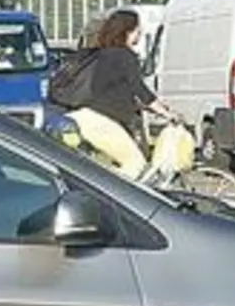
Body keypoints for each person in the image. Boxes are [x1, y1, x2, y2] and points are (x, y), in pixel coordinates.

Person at [56, 10, 175, 180]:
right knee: (136, 164)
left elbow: (111, 91)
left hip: (84, 116)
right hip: (101, 121)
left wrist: (149, 108)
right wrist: (167, 114)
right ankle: (109, 198)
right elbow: (141, 90)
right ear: (127, 31)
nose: (140, 33)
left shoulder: (102, 54)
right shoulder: (125, 56)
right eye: (137, 29)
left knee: (116, 165)